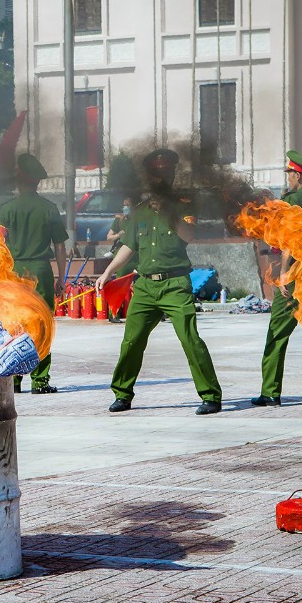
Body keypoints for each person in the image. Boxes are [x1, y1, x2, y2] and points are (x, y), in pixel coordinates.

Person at [97, 149, 222, 415]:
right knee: (131, 340)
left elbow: (188, 235)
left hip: (175, 284)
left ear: (171, 175)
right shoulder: (139, 212)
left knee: (190, 339)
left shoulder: (184, 204)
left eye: (163, 173)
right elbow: (129, 246)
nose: (158, 178)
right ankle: (122, 393)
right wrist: (108, 272)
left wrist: (168, 212)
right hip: (145, 286)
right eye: (154, 174)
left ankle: (210, 395)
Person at [252, 151, 302, 407]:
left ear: (297, 175)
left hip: (295, 275)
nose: (288, 180)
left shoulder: (290, 202)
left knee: (277, 333)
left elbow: (290, 241)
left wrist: (283, 272)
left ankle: (271, 392)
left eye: (289, 175)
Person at [0, 153, 68, 394]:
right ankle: (40, 380)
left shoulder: (6, 210)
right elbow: (60, 246)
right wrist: (62, 278)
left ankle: (14, 379)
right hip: (41, 270)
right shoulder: (49, 209)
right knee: (43, 323)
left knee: (14, 323)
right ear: (37, 182)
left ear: (19, 180)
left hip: (14, 271)